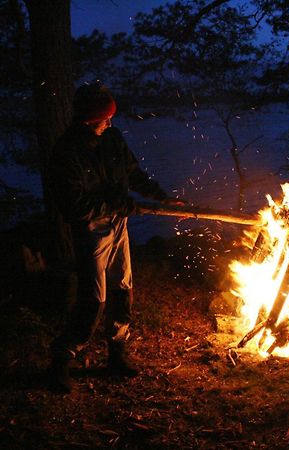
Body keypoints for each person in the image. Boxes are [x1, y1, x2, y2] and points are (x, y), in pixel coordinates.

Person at [49, 82, 184, 393]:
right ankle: (61, 358)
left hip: (118, 226)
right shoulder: (67, 153)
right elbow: (74, 207)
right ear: (88, 119)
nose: (110, 122)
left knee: (122, 289)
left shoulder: (112, 139)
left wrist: (160, 196)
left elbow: (133, 173)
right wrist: (116, 204)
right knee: (93, 300)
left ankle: (117, 353)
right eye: (105, 118)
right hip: (91, 231)